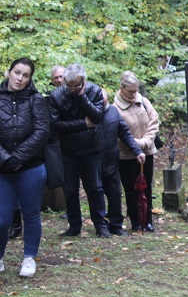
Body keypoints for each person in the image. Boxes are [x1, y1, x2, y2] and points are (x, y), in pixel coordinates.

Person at [0, 58, 49, 277]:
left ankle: (29, 257)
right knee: (2, 218)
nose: (20, 78)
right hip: (2, 168)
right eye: (17, 72)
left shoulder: (36, 99)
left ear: (30, 79)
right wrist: (6, 159)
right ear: (9, 72)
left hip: (30, 166)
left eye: (25, 75)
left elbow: (42, 132)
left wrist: (18, 158)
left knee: (30, 214)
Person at [48, 64, 109, 238]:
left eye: (76, 85)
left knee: (95, 188)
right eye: (69, 85)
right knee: (70, 189)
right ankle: (74, 226)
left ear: (83, 81)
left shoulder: (94, 91)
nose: (72, 89)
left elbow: (97, 117)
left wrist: (83, 98)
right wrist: (83, 123)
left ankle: (100, 225)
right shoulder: (56, 96)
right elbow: (56, 125)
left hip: (91, 147)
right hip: (68, 149)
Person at [113, 71, 160, 233]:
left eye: (136, 90)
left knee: (146, 187)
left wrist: (145, 142)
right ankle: (136, 220)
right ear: (122, 89)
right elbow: (120, 132)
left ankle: (147, 220)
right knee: (132, 189)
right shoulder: (115, 108)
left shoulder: (144, 102)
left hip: (147, 151)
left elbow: (154, 121)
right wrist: (135, 144)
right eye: (130, 91)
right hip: (126, 155)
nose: (134, 94)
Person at [97, 89, 144, 237]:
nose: (102, 103)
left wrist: (137, 151)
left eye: (104, 100)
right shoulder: (88, 113)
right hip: (93, 162)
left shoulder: (113, 111)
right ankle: (101, 226)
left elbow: (125, 133)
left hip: (111, 161)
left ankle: (116, 225)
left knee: (115, 194)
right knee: (97, 195)